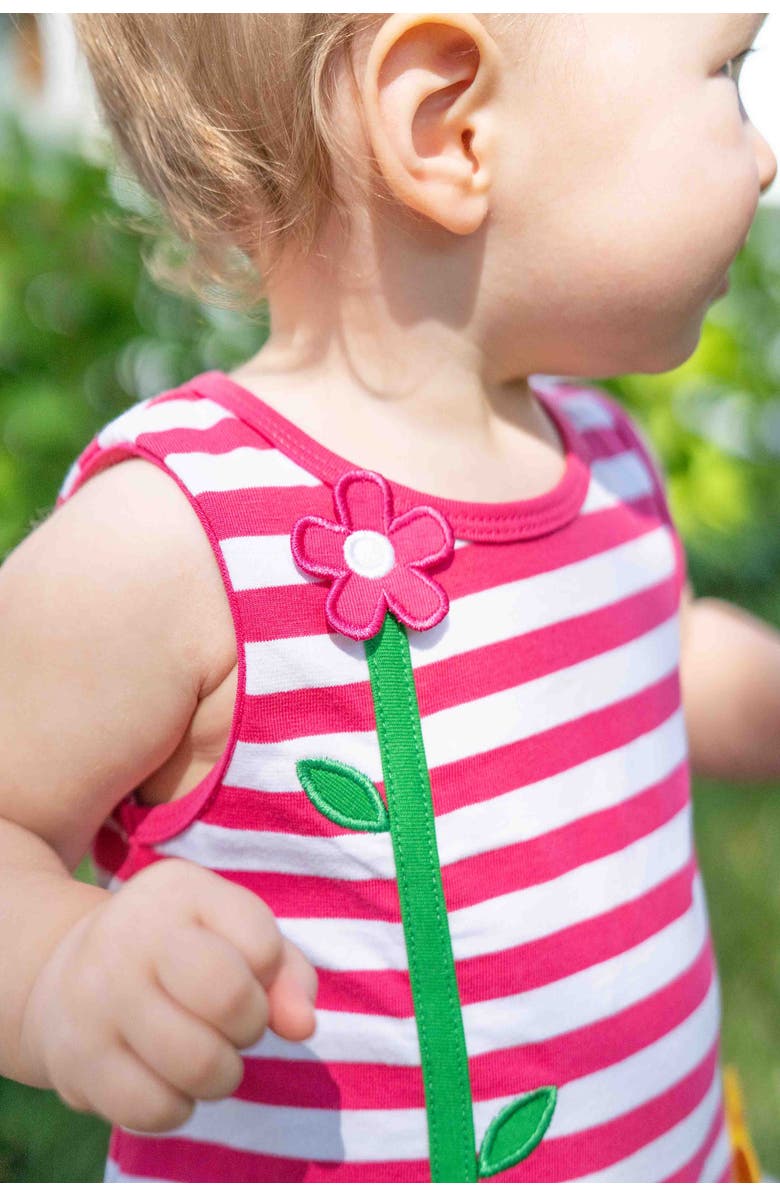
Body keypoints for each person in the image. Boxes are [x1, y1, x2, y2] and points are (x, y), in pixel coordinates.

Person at [0, 13, 777, 1184]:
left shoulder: (603, 453)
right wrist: (61, 969)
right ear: (449, 124)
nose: (763, 152)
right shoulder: (180, 534)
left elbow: (653, 652)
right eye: (725, 69)